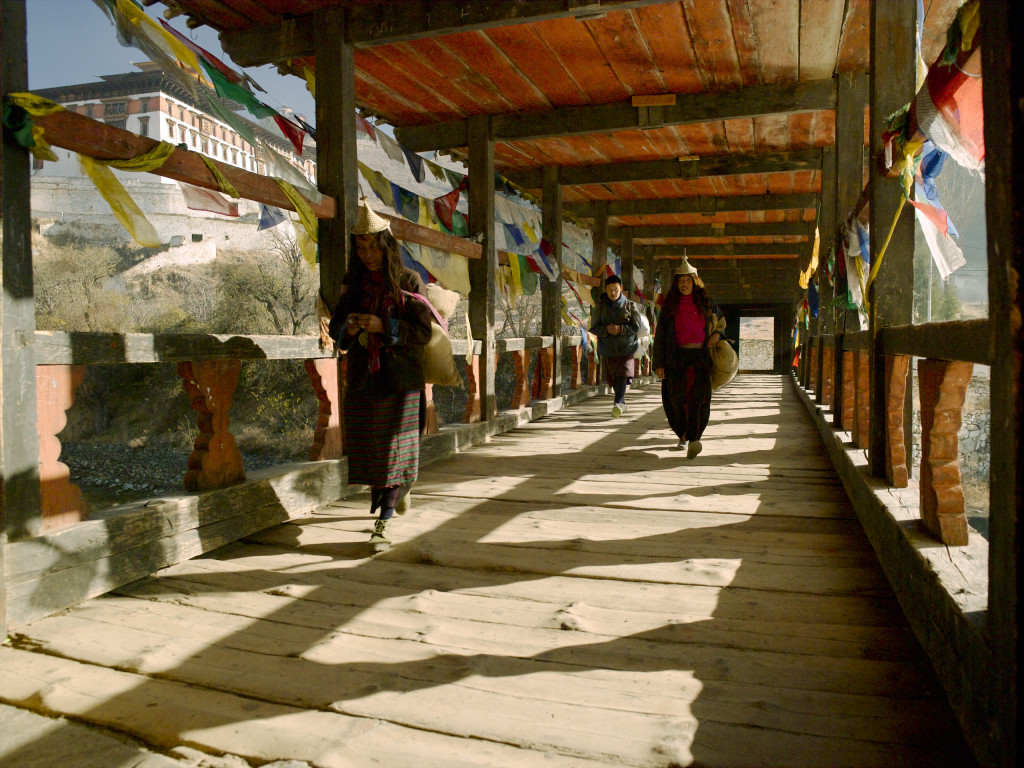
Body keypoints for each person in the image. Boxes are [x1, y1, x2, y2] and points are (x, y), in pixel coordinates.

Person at [327, 201, 433, 552]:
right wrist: (350, 329)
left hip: (400, 381)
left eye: (373, 246)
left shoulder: (409, 281)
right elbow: (336, 329)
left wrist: (384, 326)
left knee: (391, 450)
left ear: (387, 246)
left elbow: (423, 332)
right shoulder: (352, 286)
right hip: (363, 380)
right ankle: (397, 490)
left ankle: (384, 521)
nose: (367, 254)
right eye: (361, 247)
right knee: (372, 450)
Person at [652, 258, 726, 458]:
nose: (684, 284)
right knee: (675, 399)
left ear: (694, 281)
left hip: (700, 357)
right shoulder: (670, 306)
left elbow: (721, 322)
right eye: (680, 280)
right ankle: (683, 434)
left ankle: (694, 438)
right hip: (675, 358)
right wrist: (659, 364)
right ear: (676, 283)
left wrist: (716, 335)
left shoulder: (707, 303)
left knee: (699, 399)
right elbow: (660, 336)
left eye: (688, 280)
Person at [590, 274, 642, 418]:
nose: (613, 292)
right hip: (608, 349)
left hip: (626, 347)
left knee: (622, 375)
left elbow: (636, 327)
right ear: (605, 289)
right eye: (610, 289)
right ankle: (622, 403)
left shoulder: (630, 306)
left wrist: (621, 329)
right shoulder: (600, 306)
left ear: (621, 288)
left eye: (616, 289)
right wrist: (606, 330)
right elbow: (593, 328)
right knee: (613, 379)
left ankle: (617, 403)